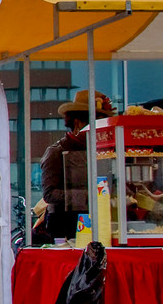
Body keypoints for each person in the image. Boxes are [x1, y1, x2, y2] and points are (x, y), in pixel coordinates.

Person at [40, 91, 115, 239]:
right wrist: (91, 195)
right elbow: (49, 194)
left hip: (100, 221)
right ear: (77, 123)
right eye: (94, 124)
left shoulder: (103, 152)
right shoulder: (56, 152)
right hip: (65, 225)